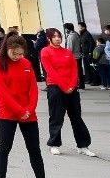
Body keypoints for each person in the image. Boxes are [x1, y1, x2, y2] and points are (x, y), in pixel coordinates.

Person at [0, 32, 62, 178]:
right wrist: (18, 109)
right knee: (4, 147)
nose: (18, 56)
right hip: (7, 112)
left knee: (34, 149)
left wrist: (29, 108)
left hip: (28, 114)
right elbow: (1, 90)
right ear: (7, 49)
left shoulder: (26, 63)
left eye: (21, 53)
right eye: (14, 53)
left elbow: (33, 88)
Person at [41, 27, 95, 157]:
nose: (57, 38)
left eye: (59, 36)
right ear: (49, 38)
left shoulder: (67, 52)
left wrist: (72, 85)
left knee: (76, 117)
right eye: (54, 36)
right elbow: (50, 71)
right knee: (56, 116)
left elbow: (74, 69)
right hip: (55, 87)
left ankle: (82, 145)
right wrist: (64, 86)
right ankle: (54, 144)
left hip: (71, 88)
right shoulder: (45, 51)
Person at [76, 23, 99, 87]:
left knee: (91, 67)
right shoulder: (82, 34)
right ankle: (89, 79)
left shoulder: (87, 34)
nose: (79, 28)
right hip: (84, 53)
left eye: (80, 27)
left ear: (83, 27)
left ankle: (95, 81)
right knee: (87, 67)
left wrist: (90, 52)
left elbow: (91, 42)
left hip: (88, 53)